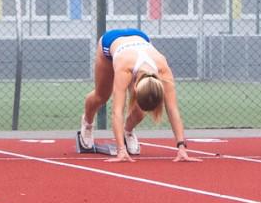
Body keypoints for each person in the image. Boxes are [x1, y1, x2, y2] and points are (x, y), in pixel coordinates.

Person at [80, 28, 193, 163]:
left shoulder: (163, 70)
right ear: (134, 87)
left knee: (140, 111)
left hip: (141, 39)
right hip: (110, 42)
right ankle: (87, 122)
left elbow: (173, 109)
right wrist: (121, 150)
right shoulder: (124, 69)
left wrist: (182, 147)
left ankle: (128, 130)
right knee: (102, 96)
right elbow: (117, 112)